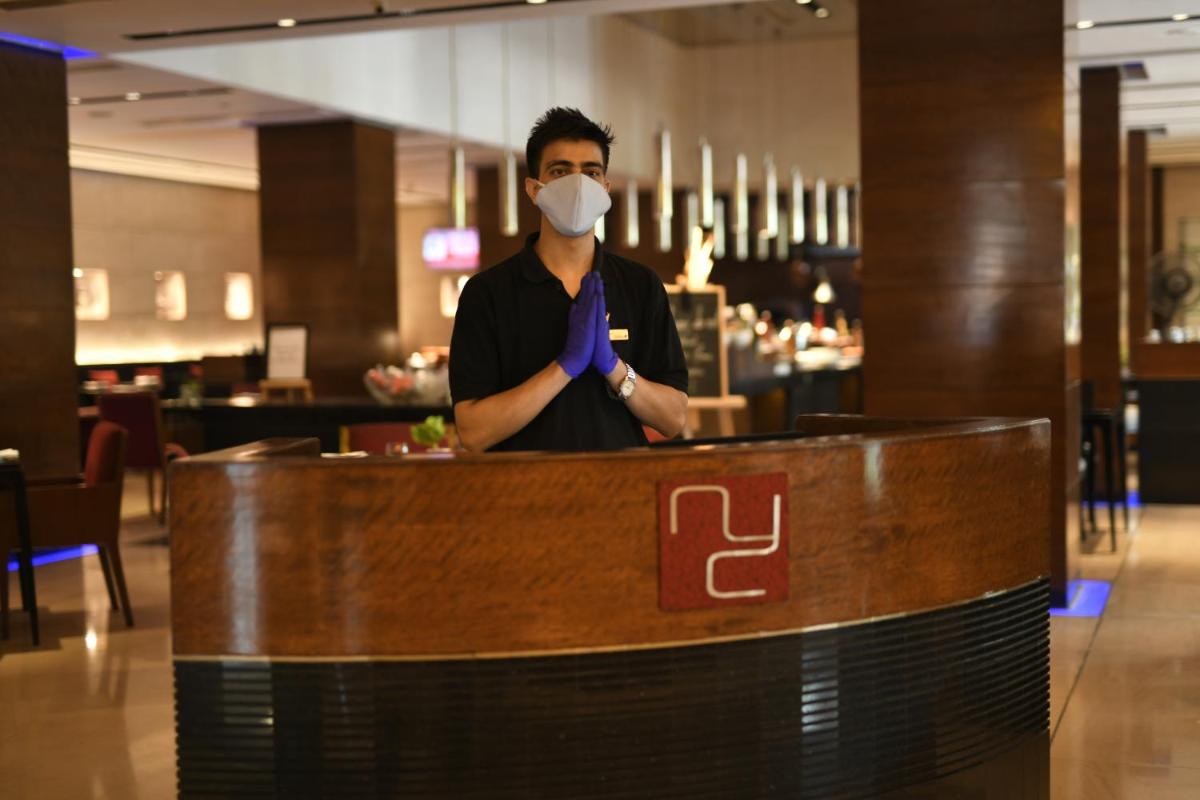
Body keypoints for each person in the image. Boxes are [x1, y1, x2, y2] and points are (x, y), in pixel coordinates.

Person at [450, 107, 689, 452]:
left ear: (605, 189)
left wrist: (614, 368)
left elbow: (673, 418)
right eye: (560, 171)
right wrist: (563, 367)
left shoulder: (640, 285)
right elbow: (473, 432)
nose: (578, 184)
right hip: (521, 495)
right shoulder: (487, 293)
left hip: (623, 490)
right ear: (534, 189)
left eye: (591, 172)